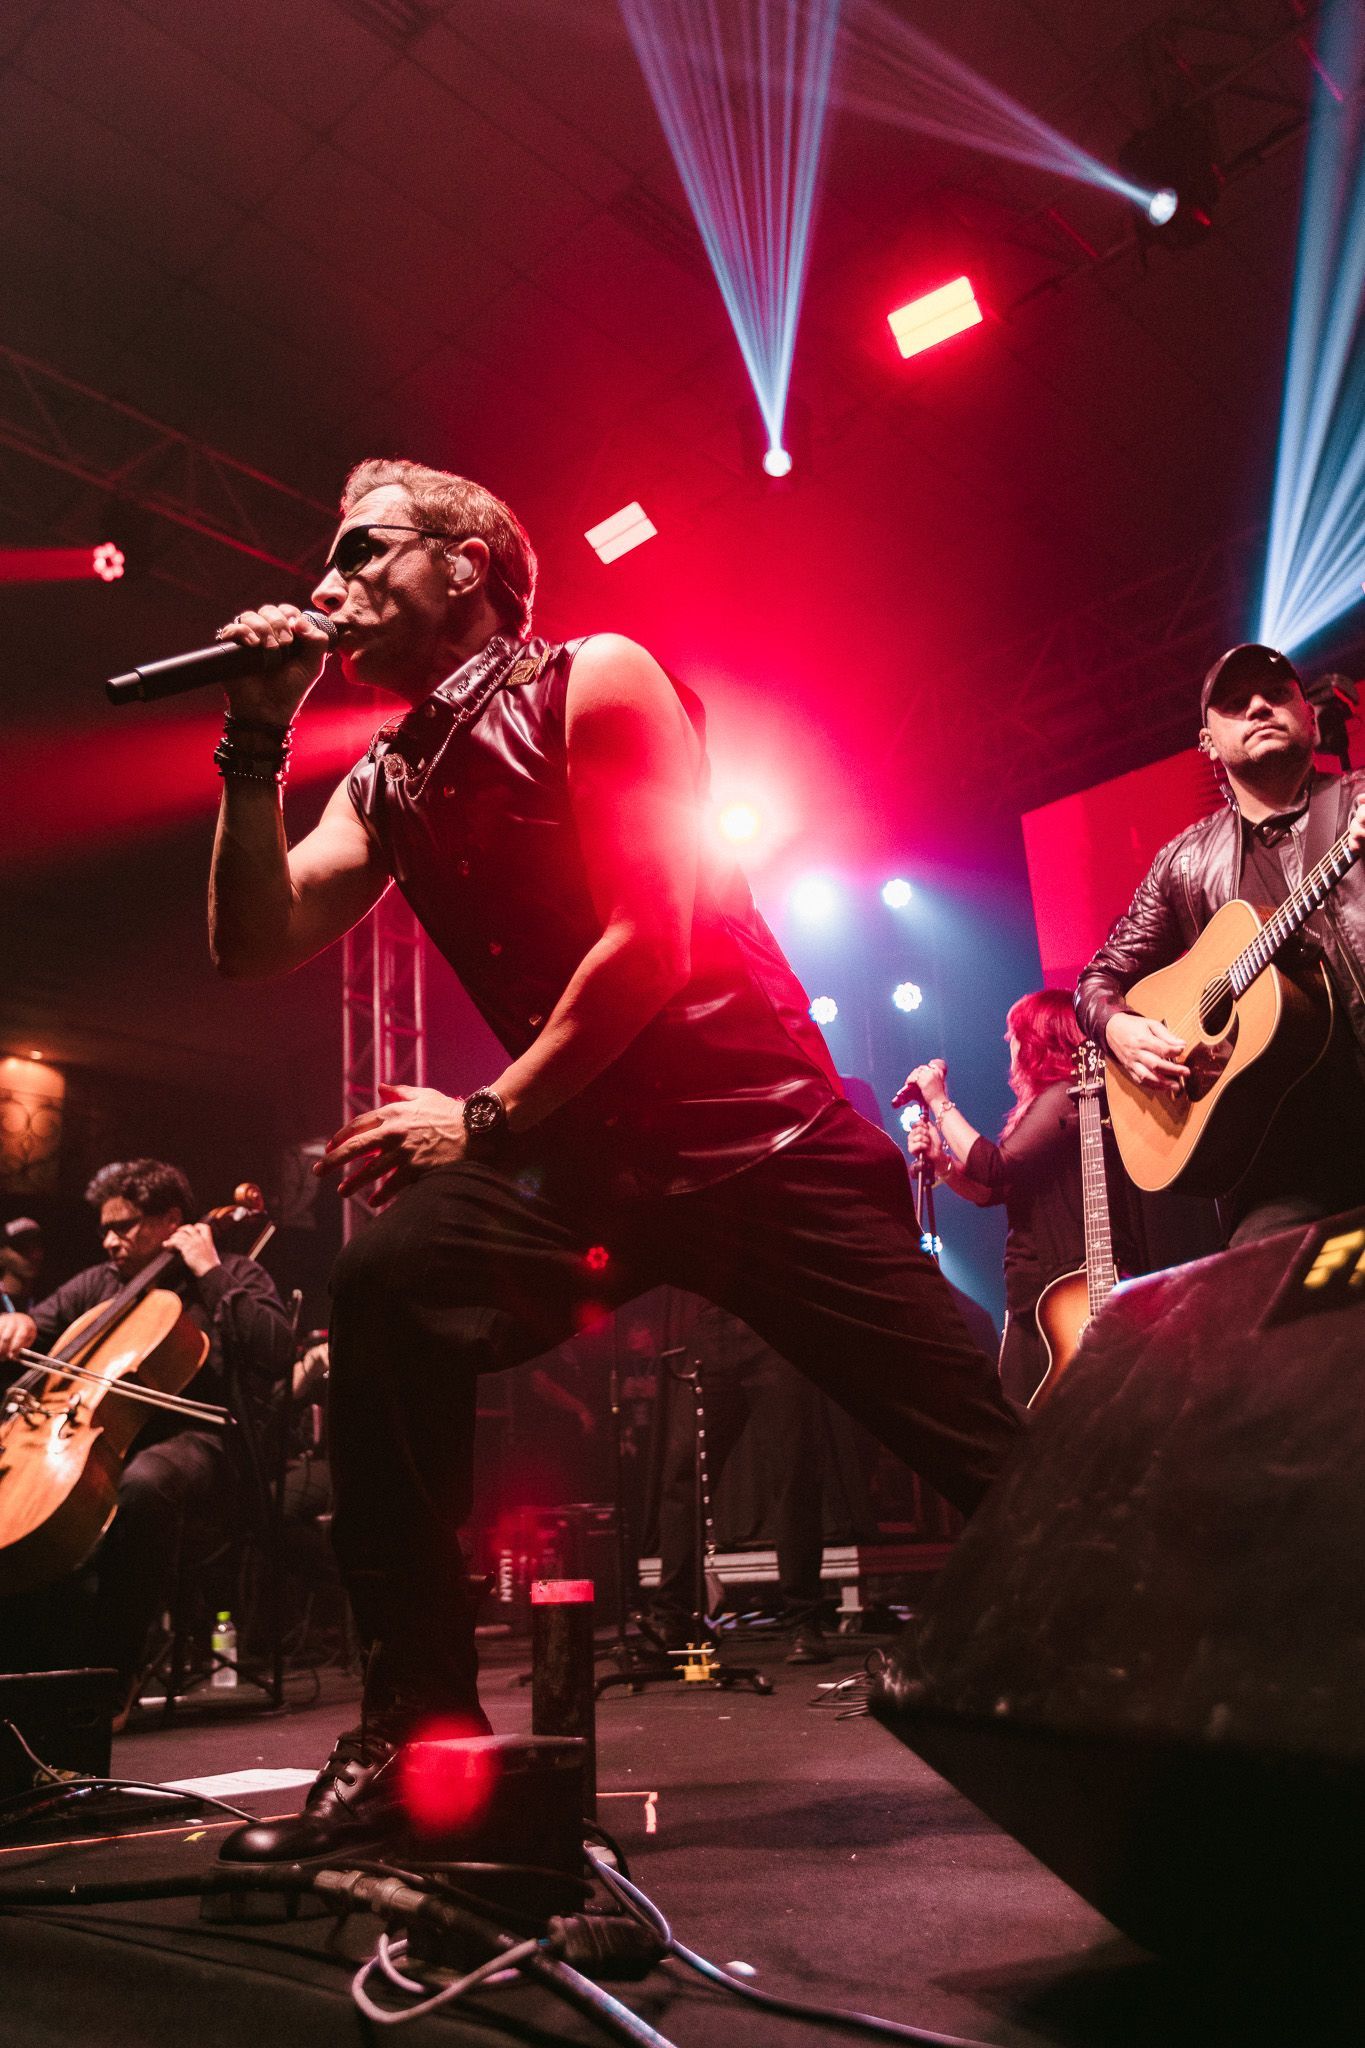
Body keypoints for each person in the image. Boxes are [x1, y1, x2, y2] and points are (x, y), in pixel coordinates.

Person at [202, 457, 1021, 1863]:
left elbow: (658, 931)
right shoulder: (386, 778)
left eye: (360, 548)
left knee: (978, 1444)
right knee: (391, 1281)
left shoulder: (601, 673)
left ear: (466, 565)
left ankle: (1192, 1649)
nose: (325, 582)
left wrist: (484, 1116)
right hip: (585, 1162)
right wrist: (250, 744)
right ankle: (417, 1738)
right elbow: (251, 940)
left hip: (757, 1139)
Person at [1077, 643, 1365, 1242]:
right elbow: (1097, 980)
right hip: (1274, 1171)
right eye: (1235, 704)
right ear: (1207, 742)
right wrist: (1118, 1029)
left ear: (1309, 716)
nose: (1260, 706)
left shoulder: (1357, 804)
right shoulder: (1184, 863)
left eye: (1276, 693)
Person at [0, 1159, 293, 1718]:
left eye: (125, 1226)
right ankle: (28, 1672)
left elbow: (275, 1348)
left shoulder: (233, 1270)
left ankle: (111, 1677)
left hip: (208, 1443)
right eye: (105, 1228)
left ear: (172, 1221)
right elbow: (44, 1320)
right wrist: (22, 1327)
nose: (110, 1241)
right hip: (103, 1438)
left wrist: (208, 1269)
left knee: (141, 1484)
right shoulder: (103, 1284)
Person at [902, 990, 1135, 1406]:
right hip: (1034, 1292)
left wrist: (939, 1100)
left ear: (1037, 1037)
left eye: (1013, 1034)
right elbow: (993, 1191)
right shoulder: (1043, 1105)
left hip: (1067, 1288)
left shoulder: (1067, 1095)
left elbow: (996, 1166)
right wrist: (943, 1166)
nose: (1007, 1043)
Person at [648, 1291, 836, 1665]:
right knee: (684, 1473)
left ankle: (804, 1621)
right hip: (712, 1323)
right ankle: (675, 1620)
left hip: (775, 1323)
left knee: (793, 1474)